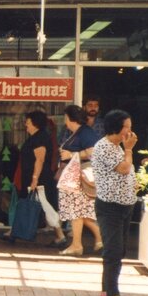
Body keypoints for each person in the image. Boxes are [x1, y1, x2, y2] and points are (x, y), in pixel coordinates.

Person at [91, 110, 138, 296]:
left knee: (119, 250)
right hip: (110, 206)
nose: (129, 131)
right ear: (116, 128)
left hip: (125, 205)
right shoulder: (105, 147)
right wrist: (128, 150)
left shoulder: (118, 147)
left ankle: (106, 290)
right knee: (113, 251)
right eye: (126, 126)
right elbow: (124, 169)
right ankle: (113, 294)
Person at [5, 110, 66, 247]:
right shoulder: (37, 137)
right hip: (36, 179)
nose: (25, 124)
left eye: (28, 121)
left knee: (46, 207)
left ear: (35, 123)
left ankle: (60, 235)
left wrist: (34, 179)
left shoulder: (40, 138)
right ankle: (14, 232)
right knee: (28, 203)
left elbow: (39, 160)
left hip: (40, 180)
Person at [56, 105, 102, 257]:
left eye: (65, 117)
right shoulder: (77, 132)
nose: (65, 121)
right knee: (81, 213)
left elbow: (94, 151)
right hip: (76, 175)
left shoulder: (85, 132)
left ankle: (77, 245)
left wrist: (72, 155)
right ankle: (100, 239)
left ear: (70, 118)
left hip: (79, 176)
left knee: (77, 212)